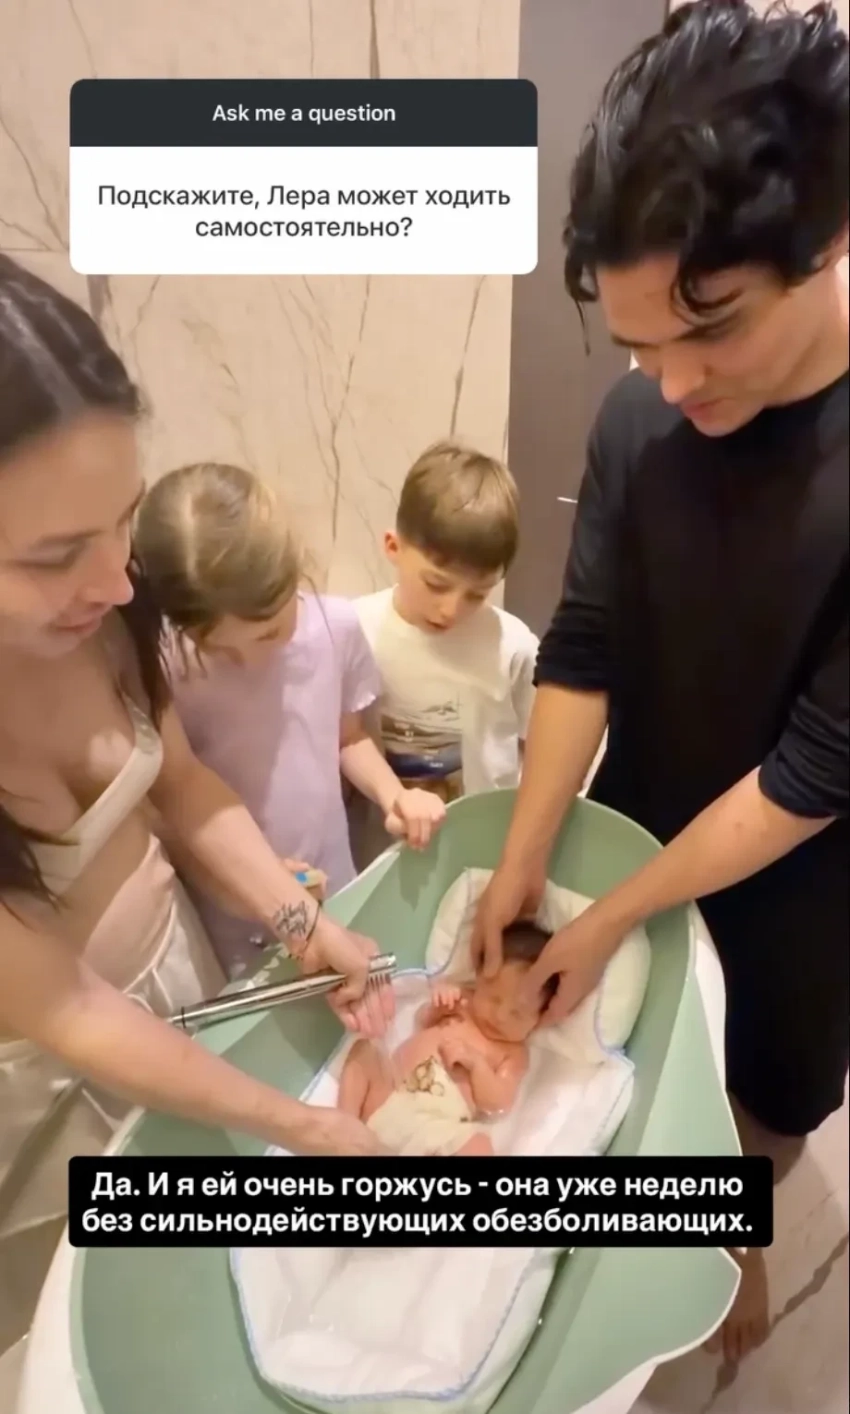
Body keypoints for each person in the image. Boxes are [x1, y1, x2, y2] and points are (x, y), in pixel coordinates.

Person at [472, 0, 848, 1366]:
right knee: (625, 1082)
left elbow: (812, 773)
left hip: (802, 884)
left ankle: (733, 1240)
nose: (668, 382)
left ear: (827, 238)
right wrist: (527, 857)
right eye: (636, 342)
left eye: (711, 333)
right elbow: (583, 643)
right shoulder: (643, 414)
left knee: (756, 1102)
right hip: (639, 813)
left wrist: (614, 916)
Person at [0, 255, 397, 1348]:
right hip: (36, 1093)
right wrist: (298, 1130)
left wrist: (306, 925)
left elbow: (180, 784)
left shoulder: (111, 618)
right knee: (87, 1336)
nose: (119, 582)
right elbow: (69, 1011)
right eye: (56, 556)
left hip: (176, 995)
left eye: (122, 522)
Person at [134, 462, 446, 975]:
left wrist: (394, 795)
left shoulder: (335, 627)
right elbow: (170, 800)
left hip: (334, 881)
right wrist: (250, 890)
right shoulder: (165, 664)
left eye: (267, 635)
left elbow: (346, 737)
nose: (250, 661)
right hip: (226, 905)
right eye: (218, 650)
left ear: (294, 568)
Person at [355, 439, 540, 806]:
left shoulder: (513, 646)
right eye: (436, 584)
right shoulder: (357, 631)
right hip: (386, 835)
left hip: (484, 833)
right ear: (393, 547)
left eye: (477, 594)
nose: (450, 610)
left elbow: (542, 744)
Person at [339, 921, 556, 1157]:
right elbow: (421, 1022)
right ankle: (344, 1130)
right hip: (387, 1097)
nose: (500, 1015)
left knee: (479, 1146)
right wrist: (436, 1008)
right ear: (480, 980)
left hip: (437, 1129)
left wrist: (476, 1064)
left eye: (518, 1014)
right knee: (366, 1048)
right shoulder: (462, 1001)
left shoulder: (513, 1053)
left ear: (539, 1018)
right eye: (494, 999)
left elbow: (497, 1103)